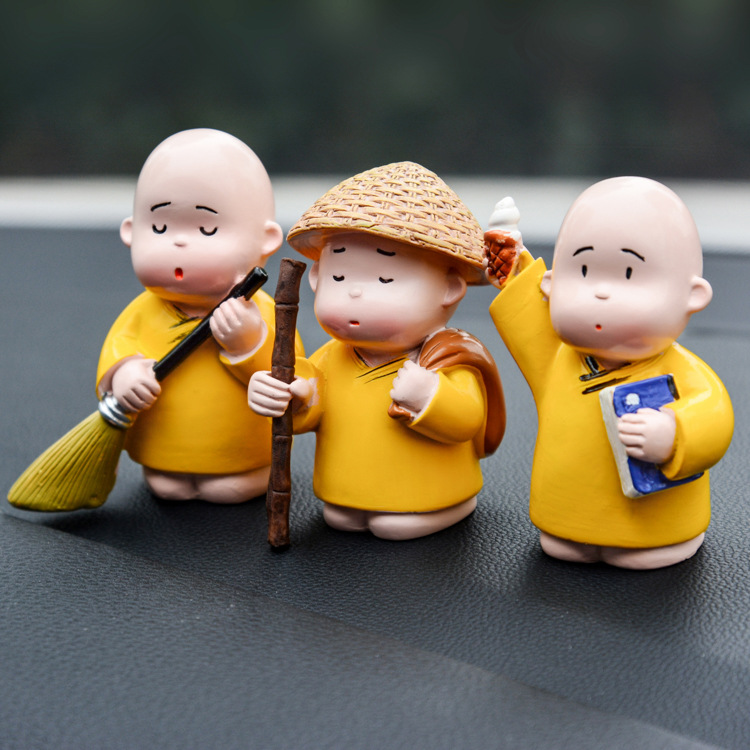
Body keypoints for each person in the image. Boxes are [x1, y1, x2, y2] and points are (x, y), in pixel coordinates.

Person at [485, 177, 734, 569]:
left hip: (656, 524)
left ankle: (646, 539)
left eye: (629, 273)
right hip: (564, 513)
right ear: (551, 285)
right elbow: (526, 315)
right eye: (582, 270)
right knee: (565, 546)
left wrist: (673, 435)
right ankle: (575, 530)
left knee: (644, 546)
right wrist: (511, 264)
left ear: (693, 295)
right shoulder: (556, 356)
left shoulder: (682, 371)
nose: (600, 292)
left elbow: (713, 416)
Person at [248, 161, 505, 540]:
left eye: (385, 278)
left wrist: (431, 398)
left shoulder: (445, 357)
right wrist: (290, 396)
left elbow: (468, 420)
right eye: (338, 276)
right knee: (341, 518)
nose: (355, 292)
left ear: (448, 288)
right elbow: (310, 402)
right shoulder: (332, 357)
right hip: (341, 491)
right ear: (316, 278)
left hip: (426, 493)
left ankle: (445, 504)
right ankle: (355, 501)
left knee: (396, 525)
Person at [97, 128, 302, 503]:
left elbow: (290, 370)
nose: (179, 242)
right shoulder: (143, 310)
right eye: (159, 227)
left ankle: (244, 470)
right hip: (161, 445)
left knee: (231, 485)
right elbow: (119, 345)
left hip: (239, 450)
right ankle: (166, 467)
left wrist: (248, 344)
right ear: (130, 231)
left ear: (266, 240)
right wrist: (122, 371)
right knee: (167, 484)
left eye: (207, 228)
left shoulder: (260, 312)